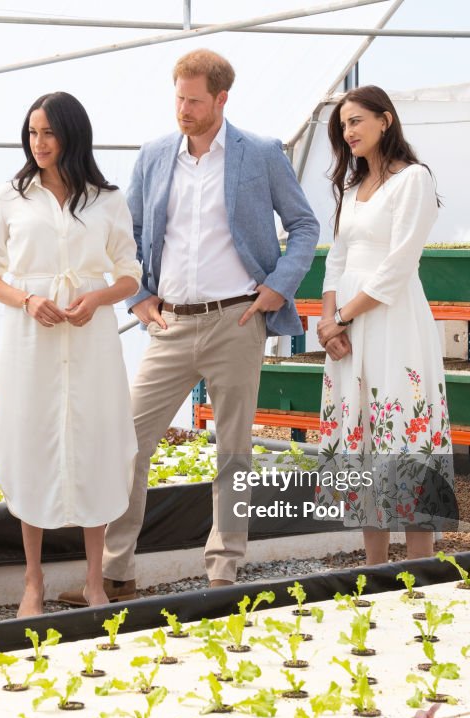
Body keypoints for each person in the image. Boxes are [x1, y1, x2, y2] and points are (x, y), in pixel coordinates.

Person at [60, 49, 319, 605]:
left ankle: (223, 574)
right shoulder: (154, 156)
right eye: (178, 96)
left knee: (233, 449)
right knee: (127, 441)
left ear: (221, 99)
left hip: (237, 319)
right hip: (170, 323)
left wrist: (278, 286)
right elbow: (126, 234)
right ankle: (115, 573)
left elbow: (303, 224)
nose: (182, 108)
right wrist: (141, 299)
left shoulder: (262, 154)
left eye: (194, 99)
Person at [0, 92, 141, 617]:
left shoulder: (107, 199)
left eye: (48, 133)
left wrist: (100, 297)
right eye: (32, 133)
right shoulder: (10, 197)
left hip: (92, 338)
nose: (38, 143)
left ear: (72, 136)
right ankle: (33, 584)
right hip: (30, 339)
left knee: (97, 445)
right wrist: (28, 299)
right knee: (32, 445)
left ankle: (93, 583)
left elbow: (129, 271)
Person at [314, 85, 454, 566]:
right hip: (348, 326)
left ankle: (418, 569)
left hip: (391, 319)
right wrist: (327, 319)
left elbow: (397, 266)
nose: (347, 132)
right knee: (363, 432)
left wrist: (342, 317)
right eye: (343, 126)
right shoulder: (352, 190)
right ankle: (374, 569)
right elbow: (336, 258)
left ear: (385, 121)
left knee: (405, 429)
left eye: (355, 121)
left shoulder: (413, 180)